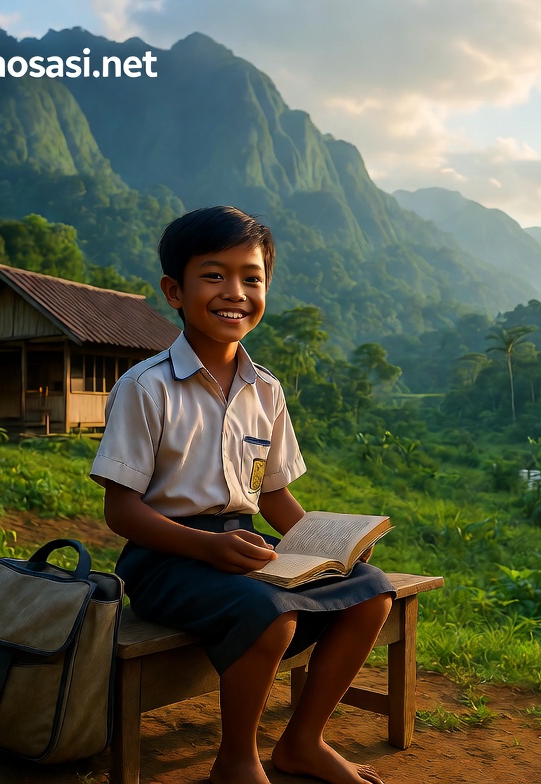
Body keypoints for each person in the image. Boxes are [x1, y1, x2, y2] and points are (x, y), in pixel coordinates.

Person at [90, 205, 394, 784]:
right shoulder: (146, 386)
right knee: (268, 615)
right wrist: (205, 549)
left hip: (245, 548)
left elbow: (274, 496)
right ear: (174, 291)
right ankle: (236, 760)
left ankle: (303, 743)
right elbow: (121, 510)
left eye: (251, 278)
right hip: (167, 560)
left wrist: (328, 547)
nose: (235, 292)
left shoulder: (267, 390)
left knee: (371, 592)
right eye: (214, 275)